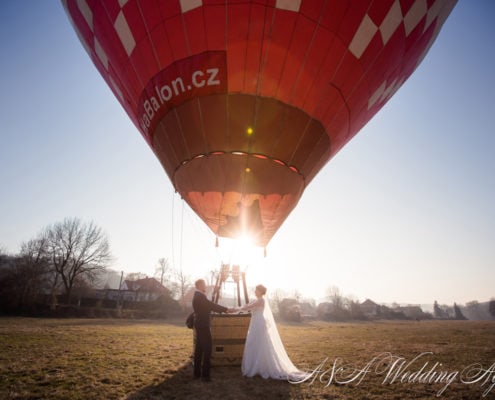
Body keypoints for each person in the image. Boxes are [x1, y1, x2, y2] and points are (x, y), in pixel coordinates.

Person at [236, 284, 308, 381]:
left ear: (261, 292)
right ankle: (256, 366)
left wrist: (235, 309)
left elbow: (248, 307)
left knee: (259, 344)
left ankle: (259, 367)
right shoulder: (257, 300)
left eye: (256, 290)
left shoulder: (261, 300)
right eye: (255, 290)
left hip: (258, 323)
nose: (255, 291)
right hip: (255, 323)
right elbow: (248, 306)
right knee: (254, 344)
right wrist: (236, 309)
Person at [192, 278, 233, 382]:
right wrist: (226, 309)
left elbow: (208, 303)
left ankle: (197, 373)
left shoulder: (198, 296)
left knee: (199, 350)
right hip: (203, 326)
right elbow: (211, 305)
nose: (205, 286)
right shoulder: (200, 297)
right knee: (208, 350)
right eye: (204, 284)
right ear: (200, 285)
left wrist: (215, 292)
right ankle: (205, 376)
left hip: (200, 325)